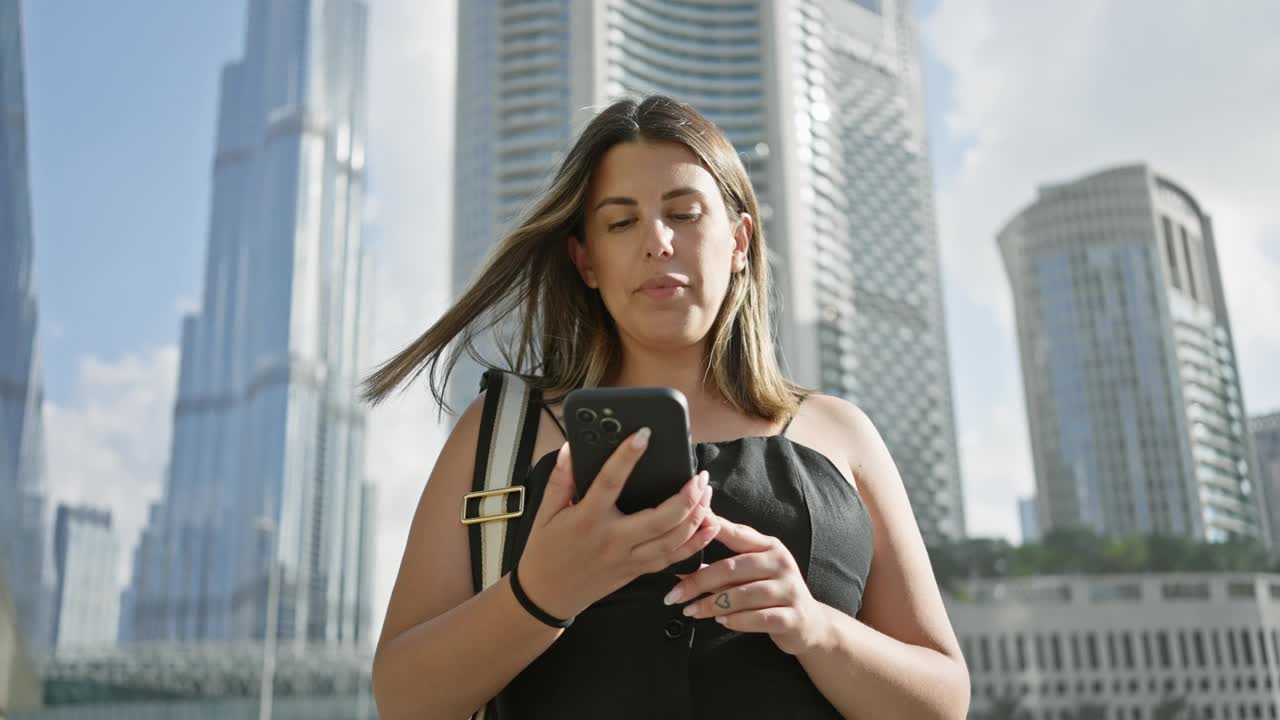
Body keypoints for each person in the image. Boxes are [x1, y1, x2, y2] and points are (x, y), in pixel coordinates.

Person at [363, 95, 969, 719]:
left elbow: (944, 702)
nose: (657, 240)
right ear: (586, 261)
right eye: (621, 223)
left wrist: (816, 628)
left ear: (739, 242)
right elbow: (403, 700)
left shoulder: (843, 434)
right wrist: (541, 594)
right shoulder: (496, 435)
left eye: (683, 213)